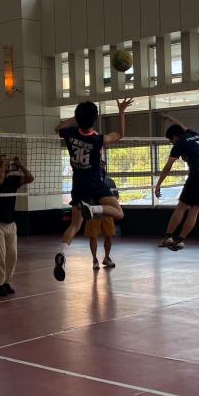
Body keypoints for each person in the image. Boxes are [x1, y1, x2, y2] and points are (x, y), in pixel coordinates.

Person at [55, 98, 133, 281]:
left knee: (75, 225)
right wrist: (121, 111)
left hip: (78, 185)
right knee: (119, 213)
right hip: (96, 184)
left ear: (78, 118)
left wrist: (75, 119)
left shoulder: (69, 133)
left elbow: (58, 127)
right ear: (95, 119)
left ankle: (62, 252)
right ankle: (93, 208)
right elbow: (120, 134)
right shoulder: (98, 139)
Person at [155, 114, 199, 251]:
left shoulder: (180, 143)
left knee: (181, 207)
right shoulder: (193, 134)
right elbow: (182, 126)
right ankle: (180, 240)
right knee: (195, 211)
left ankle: (168, 236)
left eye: (170, 140)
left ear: (174, 137)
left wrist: (158, 185)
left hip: (198, 175)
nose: (171, 143)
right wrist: (169, 117)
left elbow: (168, 167)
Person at [0, 154, 34, 296]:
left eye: (7, 162)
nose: (7, 164)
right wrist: (1, 166)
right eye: (4, 162)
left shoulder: (13, 180)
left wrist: (20, 165)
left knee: (12, 256)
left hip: (10, 223)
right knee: (0, 256)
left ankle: (6, 282)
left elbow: (30, 178)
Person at [86, 160, 120, 270]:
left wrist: (109, 204)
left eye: (104, 167)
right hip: (94, 212)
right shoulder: (89, 181)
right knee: (93, 236)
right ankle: (94, 260)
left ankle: (107, 258)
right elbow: (86, 196)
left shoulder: (110, 181)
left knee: (109, 235)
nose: (103, 169)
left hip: (107, 212)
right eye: (100, 167)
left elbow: (116, 196)